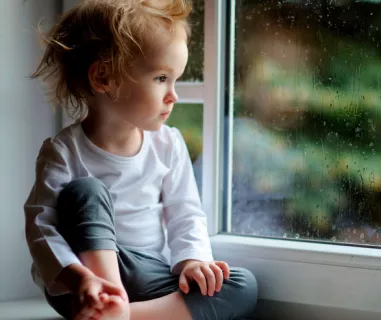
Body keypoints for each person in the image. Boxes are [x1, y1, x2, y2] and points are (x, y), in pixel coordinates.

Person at [23, 0, 258, 319]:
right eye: (161, 78)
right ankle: (106, 298)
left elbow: (185, 213)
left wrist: (193, 261)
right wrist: (79, 278)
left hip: (148, 276)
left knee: (242, 285)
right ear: (104, 77)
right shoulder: (64, 151)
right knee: (86, 192)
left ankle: (122, 314)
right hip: (82, 283)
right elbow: (41, 227)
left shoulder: (168, 143)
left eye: (175, 80)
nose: (173, 95)